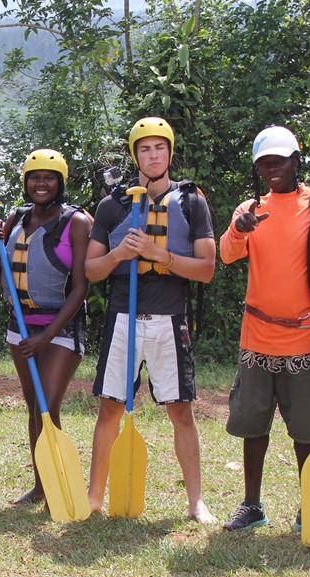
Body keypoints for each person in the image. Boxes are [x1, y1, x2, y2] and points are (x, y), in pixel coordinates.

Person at [219, 126, 310, 531]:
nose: (271, 170)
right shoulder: (248, 209)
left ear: (296, 160)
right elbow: (227, 256)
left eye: (278, 161)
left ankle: (309, 507)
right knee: (253, 424)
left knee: (306, 430)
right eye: (264, 164)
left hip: (305, 337)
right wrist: (239, 229)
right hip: (257, 336)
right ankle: (251, 505)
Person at [84, 117, 217, 523]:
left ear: (169, 153)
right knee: (109, 408)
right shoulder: (112, 206)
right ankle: (93, 498)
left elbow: (207, 269)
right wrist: (119, 254)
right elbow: (91, 271)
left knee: (181, 411)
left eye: (160, 148)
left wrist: (161, 257)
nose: (153, 155)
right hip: (123, 317)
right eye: (145, 148)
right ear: (135, 154)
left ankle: (196, 502)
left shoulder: (192, 201)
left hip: (169, 319)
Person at [0, 149, 91, 505]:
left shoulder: (76, 222)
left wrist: (46, 335)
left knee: (47, 403)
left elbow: (81, 287)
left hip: (60, 328)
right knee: (34, 405)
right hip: (21, 325)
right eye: (34, 177)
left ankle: (59, 483)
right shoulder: (15, 218)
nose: (41, 183)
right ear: (25, 183)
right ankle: (42, 485)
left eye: (49, 177)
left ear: (60, 182)